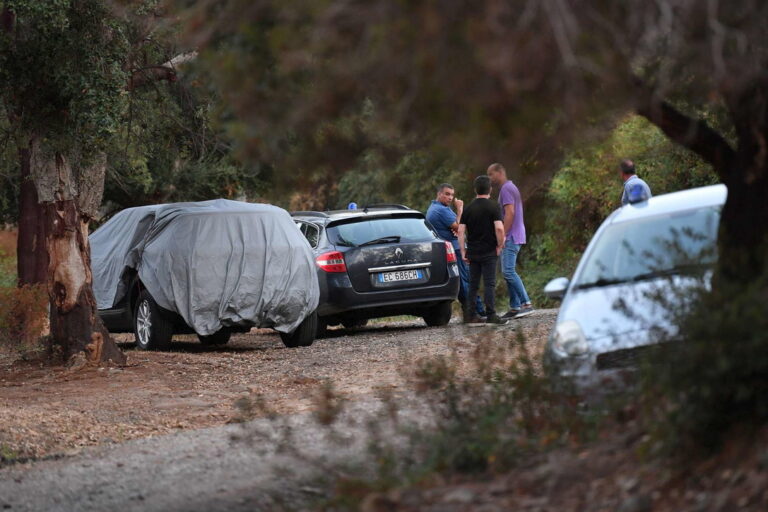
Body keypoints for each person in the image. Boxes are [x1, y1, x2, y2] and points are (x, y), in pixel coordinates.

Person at [426, 183, 485, 318]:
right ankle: (472, 313)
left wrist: (457, 227)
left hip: (454, 249)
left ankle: (478, 311)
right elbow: (460, 228)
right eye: (447, 194)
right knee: (465, 282)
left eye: (452, 195)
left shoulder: (437, 208)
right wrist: (460, 210)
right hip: (456, 250)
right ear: (439, 194)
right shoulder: (441, 210)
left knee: (467, 280)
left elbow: (457, 227)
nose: (450, 198)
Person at [458, 175, 507, 325]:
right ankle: (491, 315)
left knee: (473, 284)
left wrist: (462, 251)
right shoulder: (494, 207)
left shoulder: (468, 209)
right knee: (489, 284)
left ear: (475, 190)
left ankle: (470, 316)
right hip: (489, 252)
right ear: (490, 189)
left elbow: (460, 231)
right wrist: (500, 244)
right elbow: (499, 228)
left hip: (473, 251)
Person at [487, 162, 534, 319]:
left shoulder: (506, 189)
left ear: (500, 172)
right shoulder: (511, 187)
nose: (489, 178)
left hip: (512, 236)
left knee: (508, 271)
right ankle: (515, 307)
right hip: (517, 234)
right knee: (508, 271)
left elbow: (510, 213)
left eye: (491, 174)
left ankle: (526, 303)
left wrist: (503, 235)